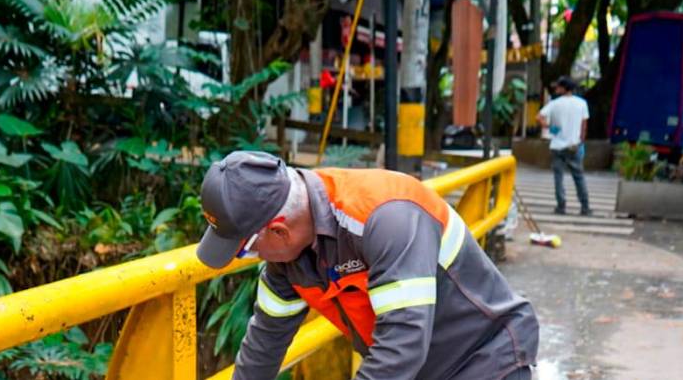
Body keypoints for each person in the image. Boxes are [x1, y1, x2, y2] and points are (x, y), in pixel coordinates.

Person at [196, 151, 539, 380]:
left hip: (486, 360)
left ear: (279, 230)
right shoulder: (286, 260)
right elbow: (263, 345)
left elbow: (402, 344)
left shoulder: (384, 217)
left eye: (246, 251)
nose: (253, 260)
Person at [537, 77, 592, 215]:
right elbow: (584, 125)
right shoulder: (582, 104)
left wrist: (550, 127)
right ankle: (585, 206)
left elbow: (539, 117)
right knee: (579, 177)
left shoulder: (554, 104)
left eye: (558, 87)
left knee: (558, 177)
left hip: (557, 146)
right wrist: (581, 141)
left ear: (563, 88)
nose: (556, 89)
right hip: (574, 145)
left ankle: (561, 206)